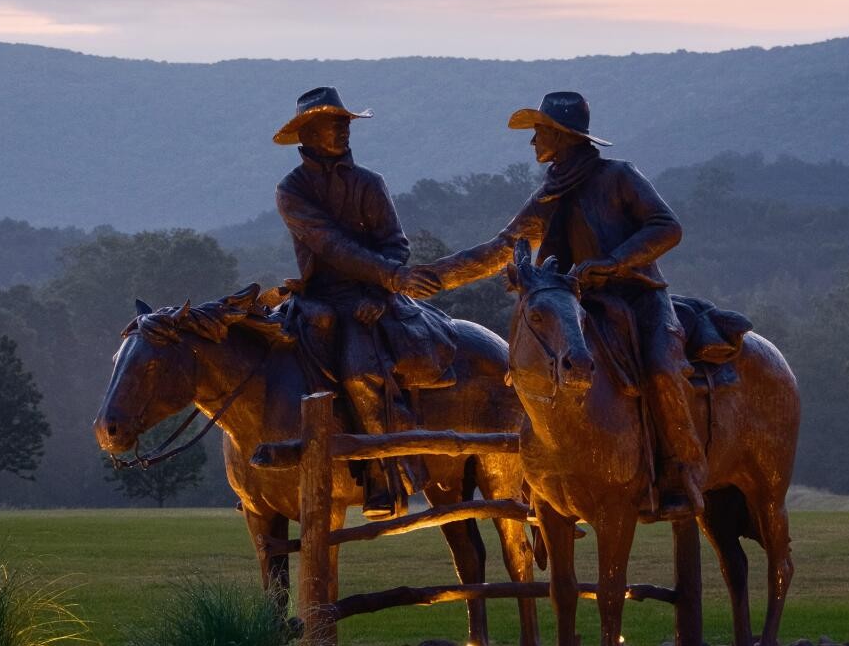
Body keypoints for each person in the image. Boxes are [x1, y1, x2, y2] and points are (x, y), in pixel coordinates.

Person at [400, 90, 707, 519]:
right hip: (581, 302)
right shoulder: (549, 195)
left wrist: (613, 262)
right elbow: (502, 248)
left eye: (539, 132)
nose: (533, 142)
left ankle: (681, 471)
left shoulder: (619, 176)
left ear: (562, 137)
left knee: (660, 368)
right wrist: (432, 278)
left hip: (639, 297)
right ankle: (549, 472)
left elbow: (667, 227)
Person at [273, 86, 452, 515]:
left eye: (346, 122)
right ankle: (263, 475)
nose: (344, 129)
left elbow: (395, 243)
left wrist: (379, 289)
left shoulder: (370, 184)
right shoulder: (292, 190)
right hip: (318, 298)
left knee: (359, 373)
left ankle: (388, 474)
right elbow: (330, 245)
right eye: (334, 122)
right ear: (309, 132)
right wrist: (390, 275)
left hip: (367, 300)